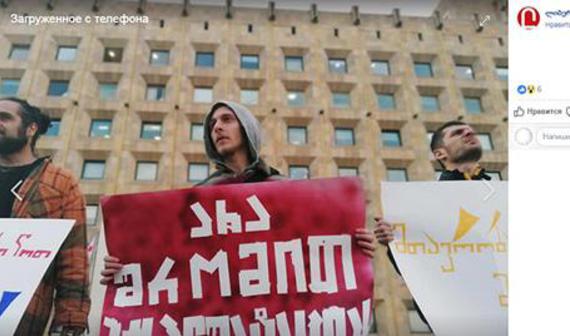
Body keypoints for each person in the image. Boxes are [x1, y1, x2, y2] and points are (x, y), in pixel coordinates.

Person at [101, 101, 376, 283]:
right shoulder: (194, 200)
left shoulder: (287, 191)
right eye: (211, 125)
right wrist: (126, 268)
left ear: (247, 129)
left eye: (227, 119)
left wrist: (354, 244)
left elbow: (316, 251)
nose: (217, 127)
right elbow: (171, 259)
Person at [374, 120, 491, 327]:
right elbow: (420, 267)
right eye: (458, 133)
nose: (468, 133)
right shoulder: (423, 204)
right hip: (462, 314)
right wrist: (394, 244)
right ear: (439, 154)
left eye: (471, 131)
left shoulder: (499, 193)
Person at [0, 97, 90, 335]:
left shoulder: (61, 184)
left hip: (16, 320)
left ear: (31, 129)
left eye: (4, 117)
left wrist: (69, 326)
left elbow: (73, 266)